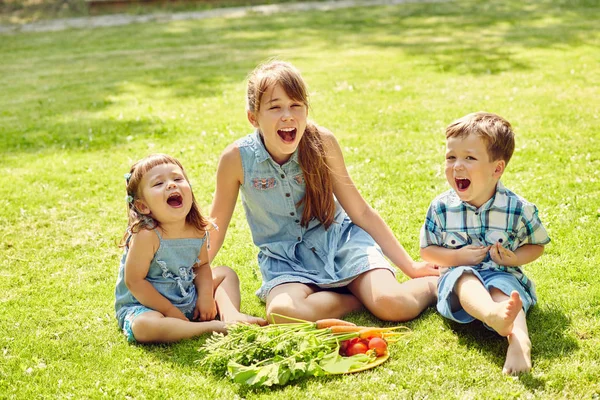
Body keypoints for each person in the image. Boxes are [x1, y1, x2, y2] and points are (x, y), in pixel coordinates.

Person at [209, 60, 439, 325]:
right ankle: (354, 296)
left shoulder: (321, 142)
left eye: (296, 105)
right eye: (275, 107)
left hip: (340, 242)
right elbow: (215, 227)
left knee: (393, 305)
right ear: (253, 117)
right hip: (286, 261)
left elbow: (361, 211)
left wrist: (410, 267)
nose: (288, 115)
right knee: (282, 312)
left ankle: (433, 286)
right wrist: (192, 276)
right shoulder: (236, 159)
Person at [419, 112, 550, 374]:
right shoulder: (441, 208)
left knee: (504, 289)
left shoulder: (517, 208)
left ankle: (519, 341)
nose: (457, 165)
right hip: (459, 280)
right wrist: (458, 259)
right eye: (451, 157)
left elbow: (537, 245)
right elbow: (427, 251)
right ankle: (492, 314)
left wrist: (515, 259)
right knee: (465, 278)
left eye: (469, 158)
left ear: (497, 169)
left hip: (504, 274)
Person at [114, 154, 265, 344]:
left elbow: (201, 266)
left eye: (177, 179)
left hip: (185, 294)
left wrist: (205, 297)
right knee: (144, 327)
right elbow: (134, 281)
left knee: (226, 274)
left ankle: (231, 315)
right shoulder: (147, 234)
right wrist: (169, 311)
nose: (171, 185)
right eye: (158, 184)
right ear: (143, 206)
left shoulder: (197, 229)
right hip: (147, 305)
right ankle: (207, 328)